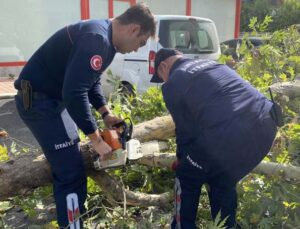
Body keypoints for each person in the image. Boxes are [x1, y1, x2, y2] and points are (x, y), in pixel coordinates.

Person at [14, 3, 155, 227]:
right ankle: (72, 224)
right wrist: (96, 139)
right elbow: (74, 92)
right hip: (39, 102)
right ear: (134, 29)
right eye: (141, 42)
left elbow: (91, 81)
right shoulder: (97, 40)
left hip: (54, 101)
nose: (138, 49)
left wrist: (105, 114)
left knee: (73, 160)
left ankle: (75, 218)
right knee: (70, 171)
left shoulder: (107, 41)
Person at [150, 48, 279, 228]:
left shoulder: (173, 82)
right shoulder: (214, 64)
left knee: (187, 175)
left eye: (160, 76)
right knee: (222, 176)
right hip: (266, 126)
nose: (163, 81)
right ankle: (226, 225)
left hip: (229, 133)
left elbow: (185, 131)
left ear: (163, 66)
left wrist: (182, 160)